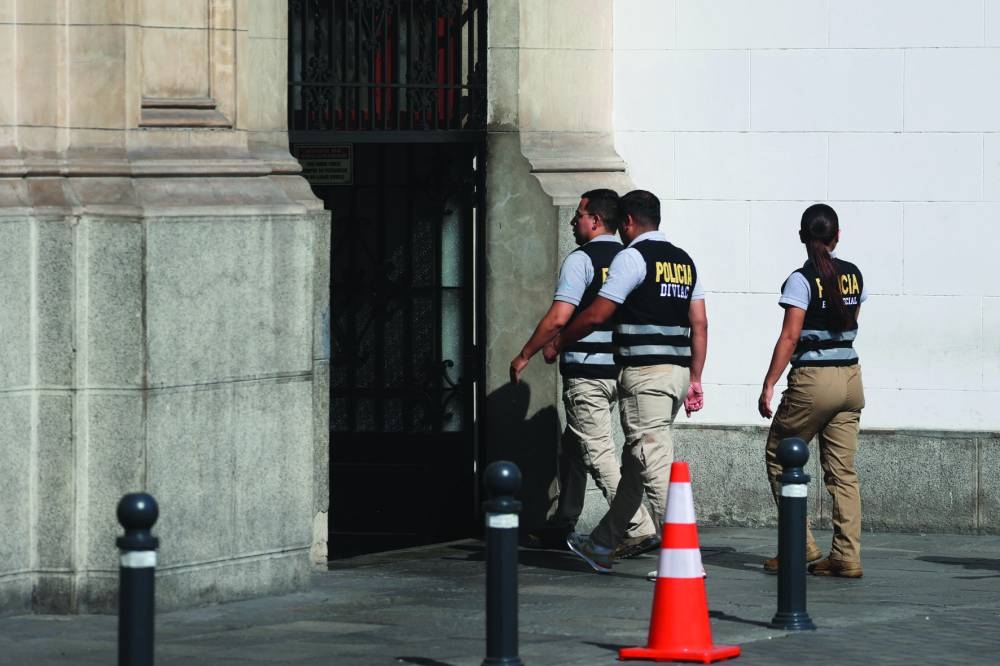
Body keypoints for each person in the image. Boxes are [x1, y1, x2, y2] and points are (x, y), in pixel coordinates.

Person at [545, 189, 707, 574]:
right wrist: (696, 376)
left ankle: (683, 559)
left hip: (646, 375)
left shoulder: (632, 257)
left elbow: (599, 313)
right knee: (636, 463)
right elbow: (699, 323)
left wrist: (560, 340)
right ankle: (603, 543)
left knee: (652, 462)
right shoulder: (684, 261)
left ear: (629, 222)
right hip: (676, 373)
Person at [509, 189, 659, 558]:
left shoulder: (581, 260)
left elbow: (561, 316)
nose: (573, 221)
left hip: (588, 371)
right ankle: (564, 520)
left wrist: (526, 353)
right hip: (622, 368)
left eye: (578, 214)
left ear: (595, 220)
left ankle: (638, 526)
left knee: (596, 451)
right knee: (573, 449)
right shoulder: (630, 257)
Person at [758, 203, 866, 578]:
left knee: (778, 454)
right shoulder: (853, 275)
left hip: (813, 380)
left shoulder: (800, 280)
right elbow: (851, 323)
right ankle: (847, 555)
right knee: (843, 472)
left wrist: (769, 382)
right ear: (837, 236)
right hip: (851, 378)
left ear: (803, 237)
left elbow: (790, 337)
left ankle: (800, 546)